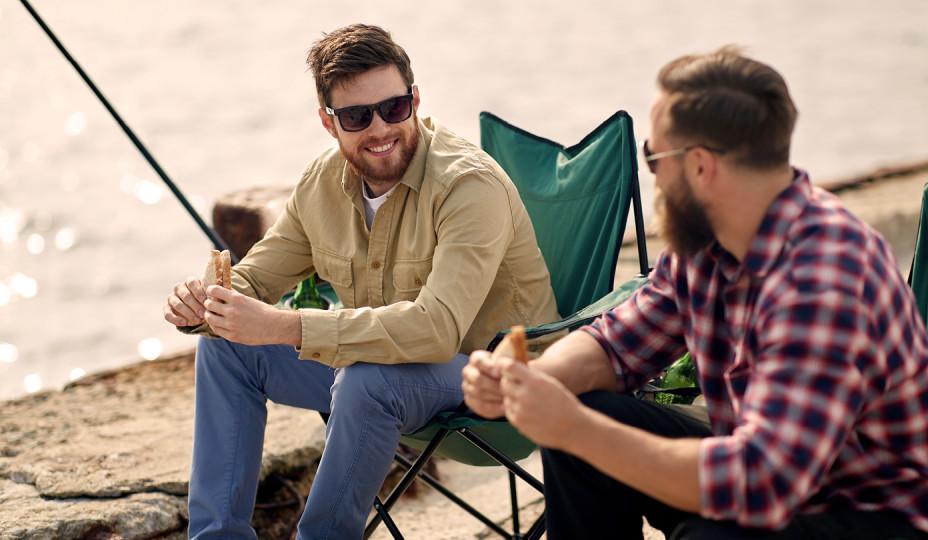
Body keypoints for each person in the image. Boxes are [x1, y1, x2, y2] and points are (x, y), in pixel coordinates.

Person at [463, 46, 928, 539]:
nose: (653, 176)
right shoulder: (710, 240)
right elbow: (616, 345)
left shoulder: (823, 275)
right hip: (769, 479)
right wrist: (526, 383)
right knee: (582, 419)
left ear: (701, 166)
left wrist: (572, 426)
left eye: (653, 157)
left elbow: (759, 484)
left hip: (870, 515)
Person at [162, 24, 559, 539]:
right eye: (356, 116)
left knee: (367, 381)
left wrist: (286, 326)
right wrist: (205, 301)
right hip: (385, 378)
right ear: (329, 123)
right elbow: (259, 275)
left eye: (393, 108)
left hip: (493, 380)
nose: (379, 129)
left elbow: (437, 330)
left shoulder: (467, 186)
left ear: (414, 98)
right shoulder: (323, 183)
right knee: (226, 346)